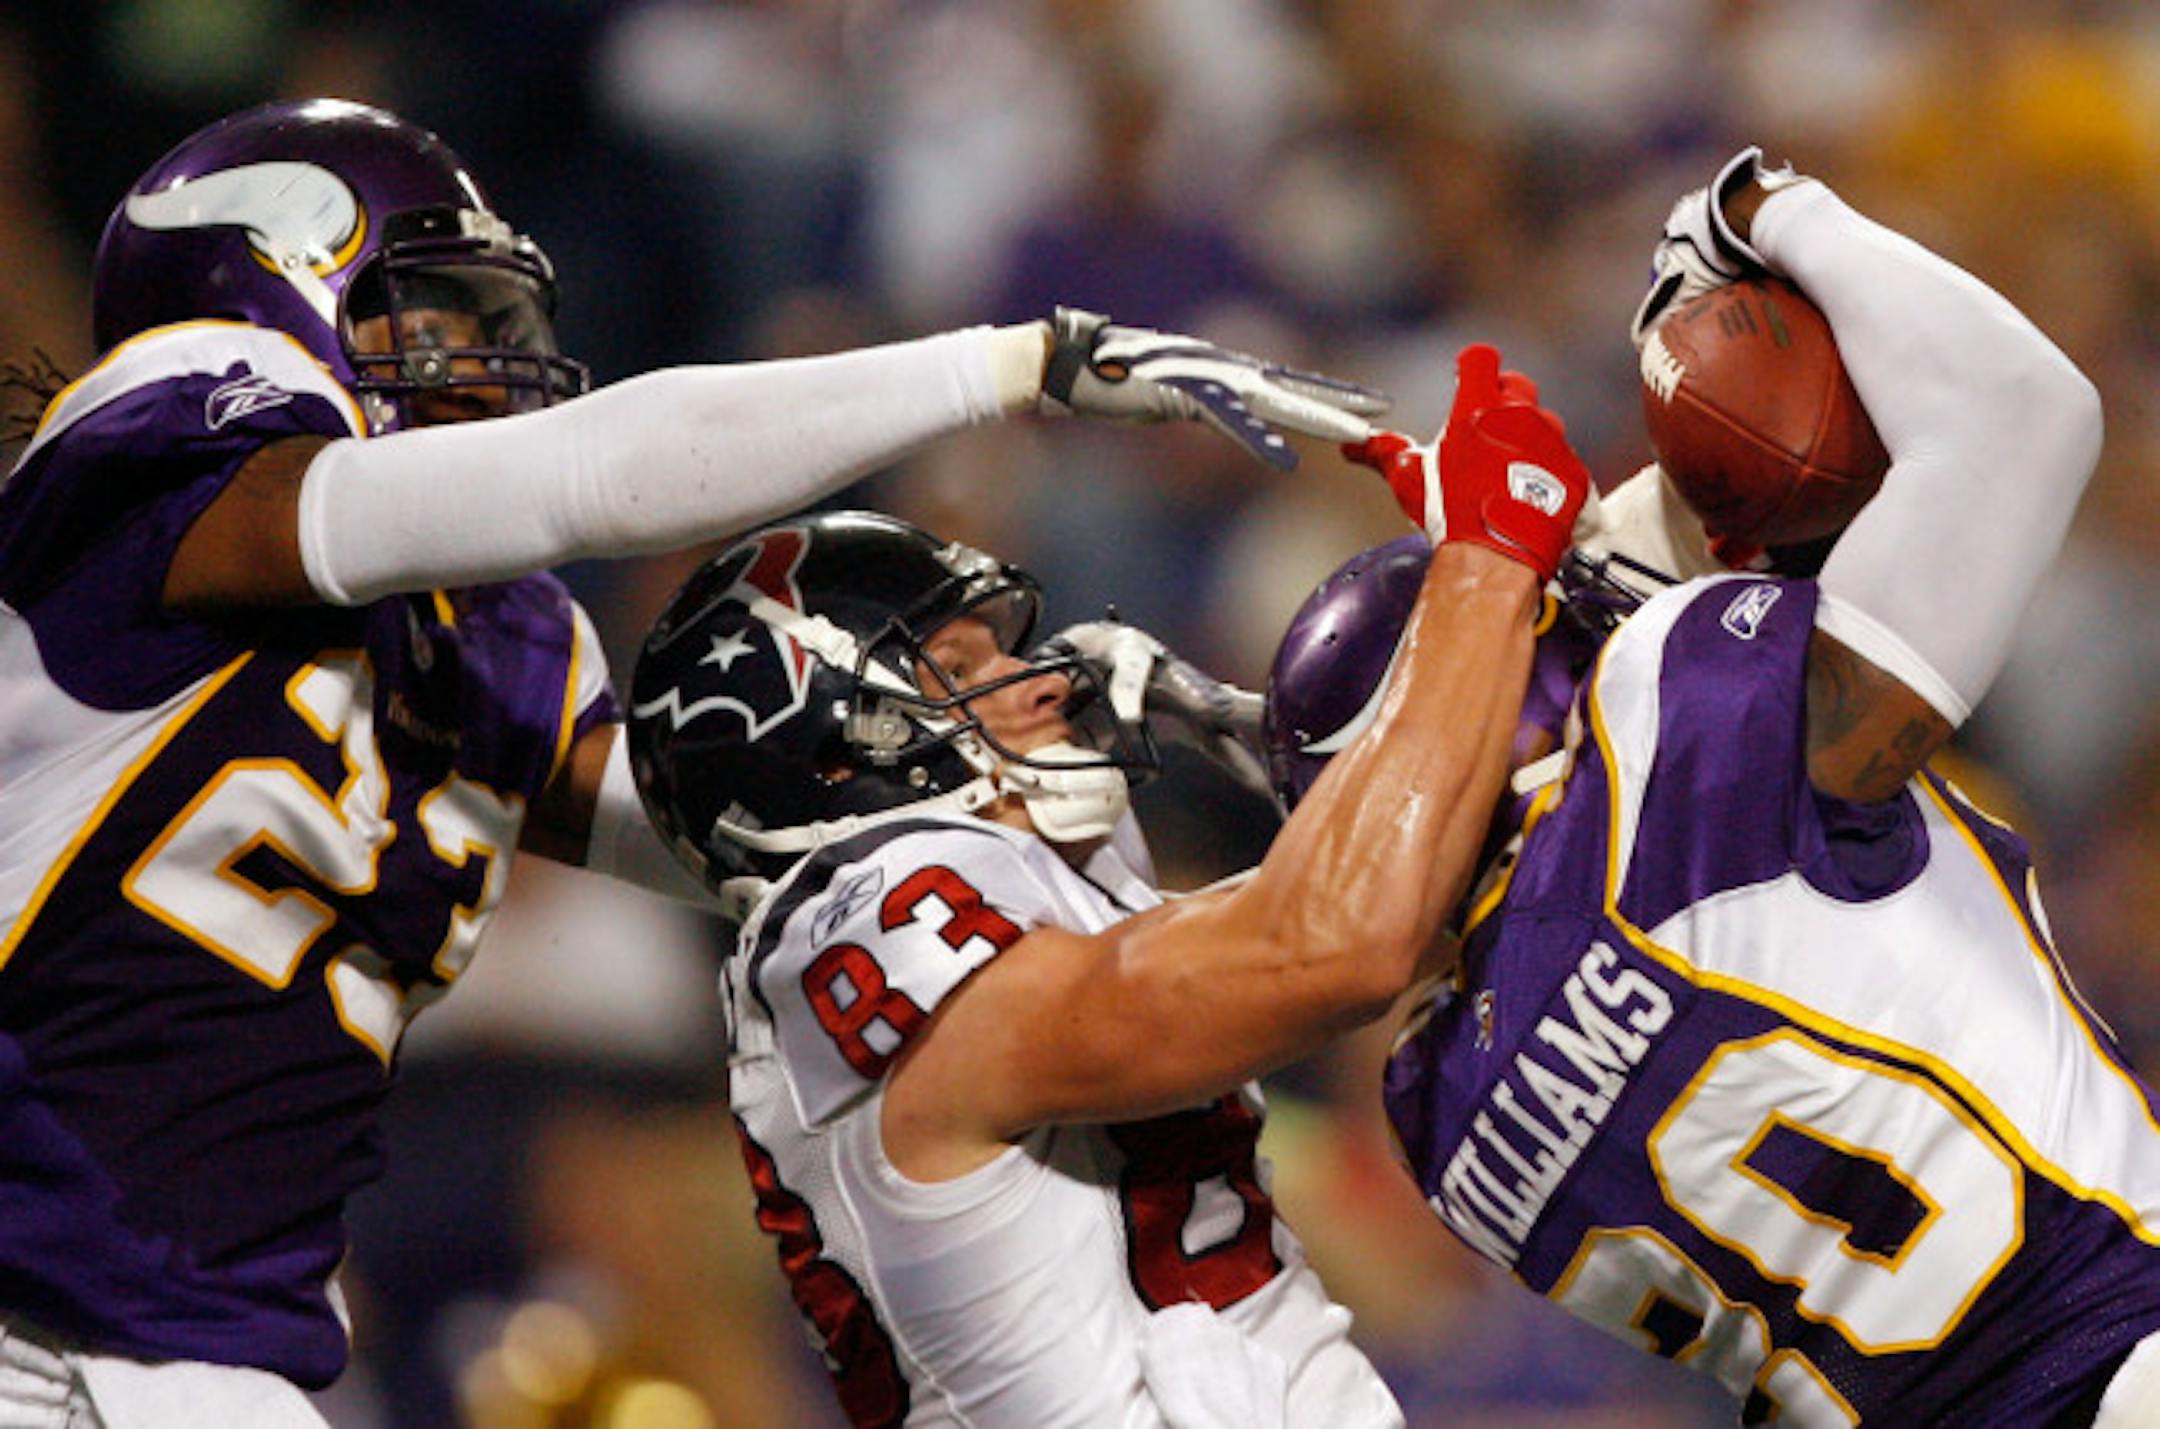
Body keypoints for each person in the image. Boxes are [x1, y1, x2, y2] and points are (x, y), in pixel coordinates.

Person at [0, 96, 1394, 1425]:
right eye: (435, 312)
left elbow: (780, 828)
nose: (485, 365)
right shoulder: (149, 452)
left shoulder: (487, 642)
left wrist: (1049, 730)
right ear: (277, 291)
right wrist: (1014, 365)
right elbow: (586, 475)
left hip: (211, 1337)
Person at [1264, 148, 2160, 1425]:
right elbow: (2026, 414)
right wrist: (1754, 210)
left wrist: (1510, 582)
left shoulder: (1437, 1113)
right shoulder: (1679, 729)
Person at [620, 331, 1595, 1425]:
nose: (1041, 680)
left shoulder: (1010, 903)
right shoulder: (862, 925)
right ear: (834, 751)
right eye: (964, 669)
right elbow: (1331, 945)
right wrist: (1489, 561)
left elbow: (1384, 912)